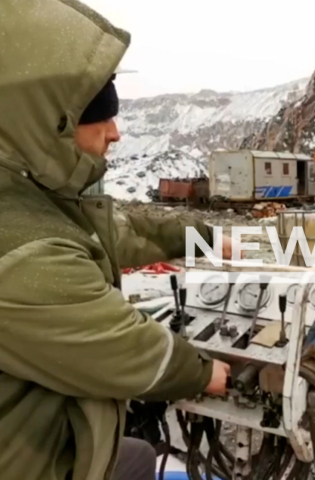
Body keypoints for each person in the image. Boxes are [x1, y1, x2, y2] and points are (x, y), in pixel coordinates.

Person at [0, 1, 232, 479]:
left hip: (40, 429)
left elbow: (118, 233)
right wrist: (206, 372)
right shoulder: (24, 249)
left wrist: (206, 239)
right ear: (47, 124)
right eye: (98, 116)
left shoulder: (30, 200)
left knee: (137, 456)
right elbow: (126, 351)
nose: (115, 133)